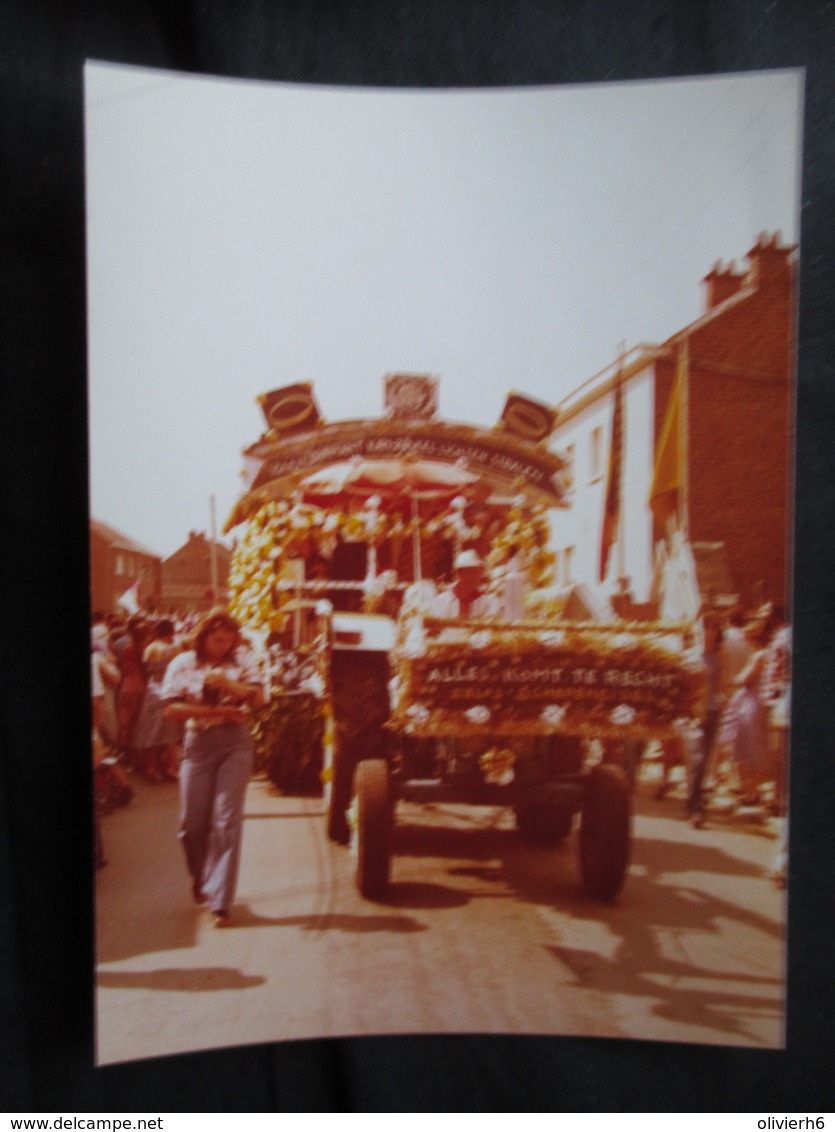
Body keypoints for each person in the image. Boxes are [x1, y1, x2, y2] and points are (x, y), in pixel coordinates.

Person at [161, 608, 265, 927]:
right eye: (217, 640)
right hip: (199, 745)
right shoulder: (183, 663)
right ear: (203, 636)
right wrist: (213, 711)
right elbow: (171, 709)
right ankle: (201, 877)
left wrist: (231, 687)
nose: (223, 646)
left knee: (226, 819)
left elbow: (259, 698)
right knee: (191, 825)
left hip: (235, 744)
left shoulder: (242, 659)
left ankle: (220, 901)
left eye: (229, 640)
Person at [130, 618, 183, 782]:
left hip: (151, 691)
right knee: (170, 734)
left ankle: (152, 768)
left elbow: (146, 671)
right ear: (171, 633)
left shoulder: (149, 649)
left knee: (152, 732)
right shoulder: (173, 650)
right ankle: (172, 767)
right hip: (168, 691)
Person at [686, 611, 724, 827]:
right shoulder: (692, 656)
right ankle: (696, 808)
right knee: (698, 759)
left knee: (705, 760)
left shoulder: (719, 656)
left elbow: (722, 682)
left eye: (713, 628)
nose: (709, 633)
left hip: (713, 711)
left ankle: (693, 800)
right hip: (696, 713)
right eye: (706, 628)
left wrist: (722, 698)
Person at [431, 549, 502, 619]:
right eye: (467, 572)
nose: (471, 577)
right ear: (458, 574)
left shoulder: (488, 602)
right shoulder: (442, 601)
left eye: (475, 572)